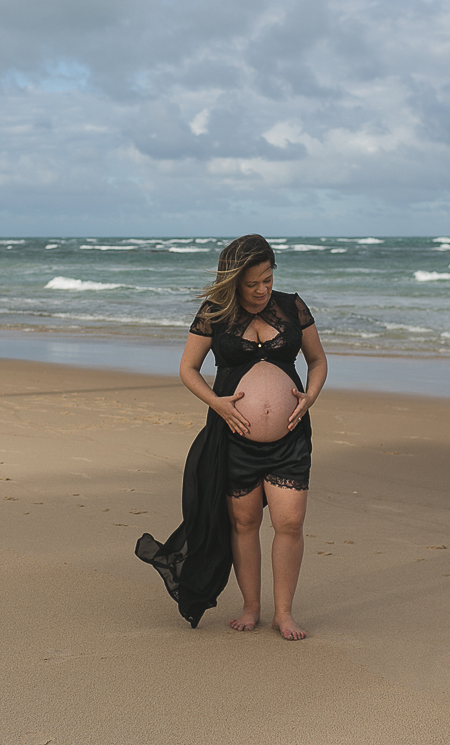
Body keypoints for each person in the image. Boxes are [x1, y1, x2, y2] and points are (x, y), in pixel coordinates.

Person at [136, 234, 327, 638]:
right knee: (244, 522)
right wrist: (219, 404)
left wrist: (309, 397)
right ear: (234, 280)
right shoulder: (215, 312)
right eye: (252, 283)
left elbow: (317, 359)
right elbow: (188, 368)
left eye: (268, 280)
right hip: (234, 438)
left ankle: (285, 612)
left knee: (290, 522)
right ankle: (252, 606)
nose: (261, 290)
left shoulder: (292, 306)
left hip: (290, 436)